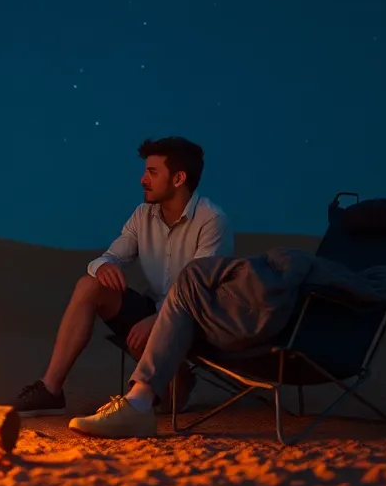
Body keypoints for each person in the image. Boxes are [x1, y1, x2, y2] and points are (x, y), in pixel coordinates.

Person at [67, 246, 386, 438]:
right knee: (191, 280)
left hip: (269, 340)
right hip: (243, 332)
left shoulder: (325, 280)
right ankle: (139, 401)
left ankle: (139, 404)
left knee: (192, 278)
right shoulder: (326, 277)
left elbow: (380, 284)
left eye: (152, 171)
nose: (144, 178)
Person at [12, 136, 233, 417]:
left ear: (179, 178)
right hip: (154, 312)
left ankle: (178, 379)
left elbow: (199, 290)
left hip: (193, 320)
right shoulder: (142, 215)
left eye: (152, 172)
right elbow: (110, 257)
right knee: (90, 285)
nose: (143, 179)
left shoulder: (212, 220)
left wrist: (158, 320)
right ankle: (50, 390)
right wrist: (104, 266)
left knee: (167, 408)